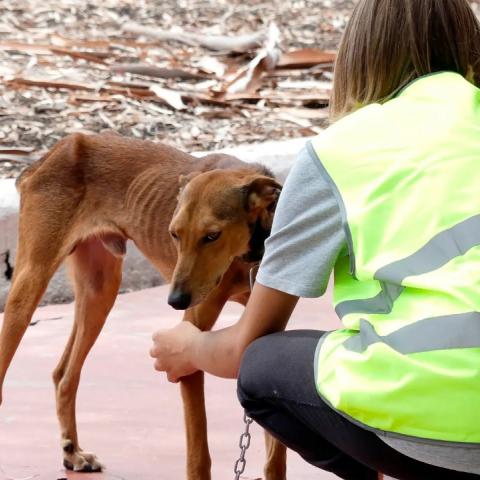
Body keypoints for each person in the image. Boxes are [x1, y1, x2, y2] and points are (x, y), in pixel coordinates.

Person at [149, 0, 480, 478]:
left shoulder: (337, 151)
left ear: (360, 56)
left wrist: (188, 347)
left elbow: (244, 347)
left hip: (437, 424)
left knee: (263, 364)